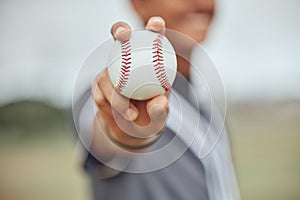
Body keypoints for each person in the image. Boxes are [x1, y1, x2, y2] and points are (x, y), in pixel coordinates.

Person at [73, 0, 240, 199]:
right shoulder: (109, 91)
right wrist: (122, 132)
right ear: (139, 3)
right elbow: (101, 135)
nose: (201, 2)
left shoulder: (205, 106)